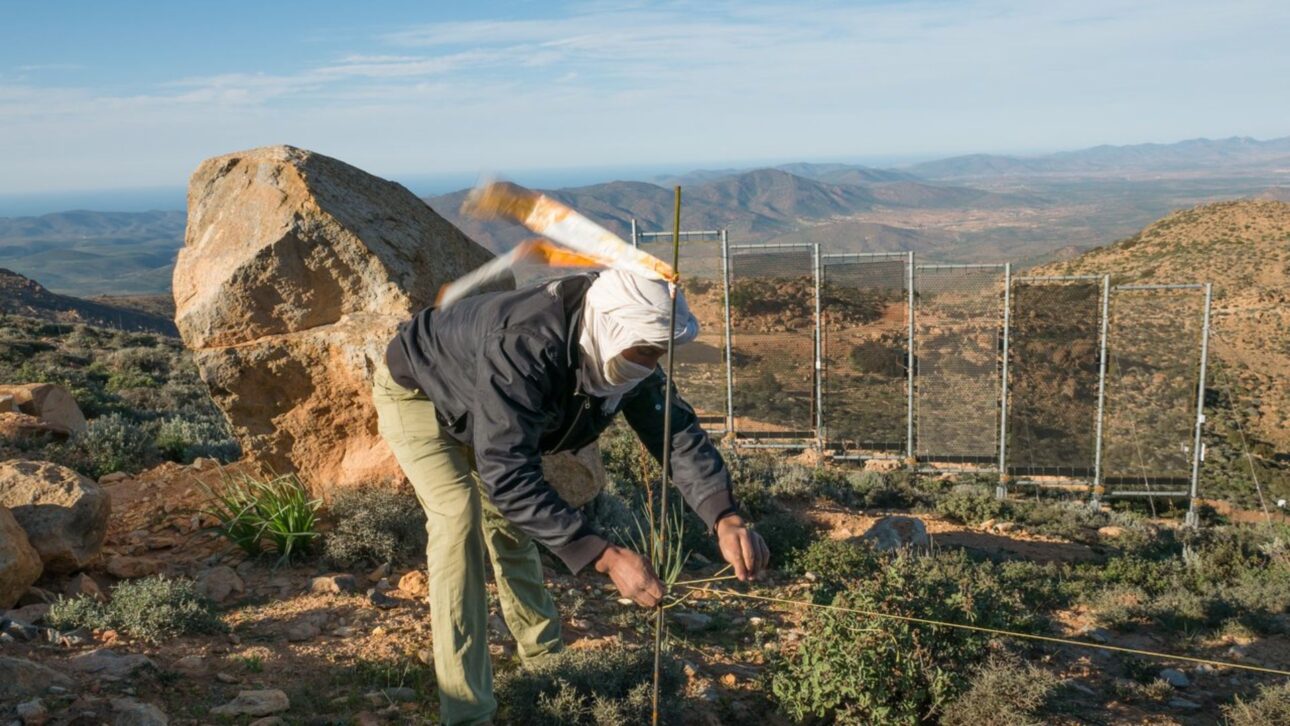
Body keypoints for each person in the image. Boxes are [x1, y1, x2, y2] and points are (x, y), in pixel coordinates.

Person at [372, 268, 769, 725]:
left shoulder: (624, 347)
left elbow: (675, 432)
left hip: (490, 409)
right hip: (422, 393)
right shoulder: (526, 346)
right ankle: (467, 711)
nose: (649, 362)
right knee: (458, 518)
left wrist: (725, 516)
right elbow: (508, 474)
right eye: (644, 351)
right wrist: (605, 555)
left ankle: (545, 662)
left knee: (512, 527)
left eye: (658, 353)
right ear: (610, 330)